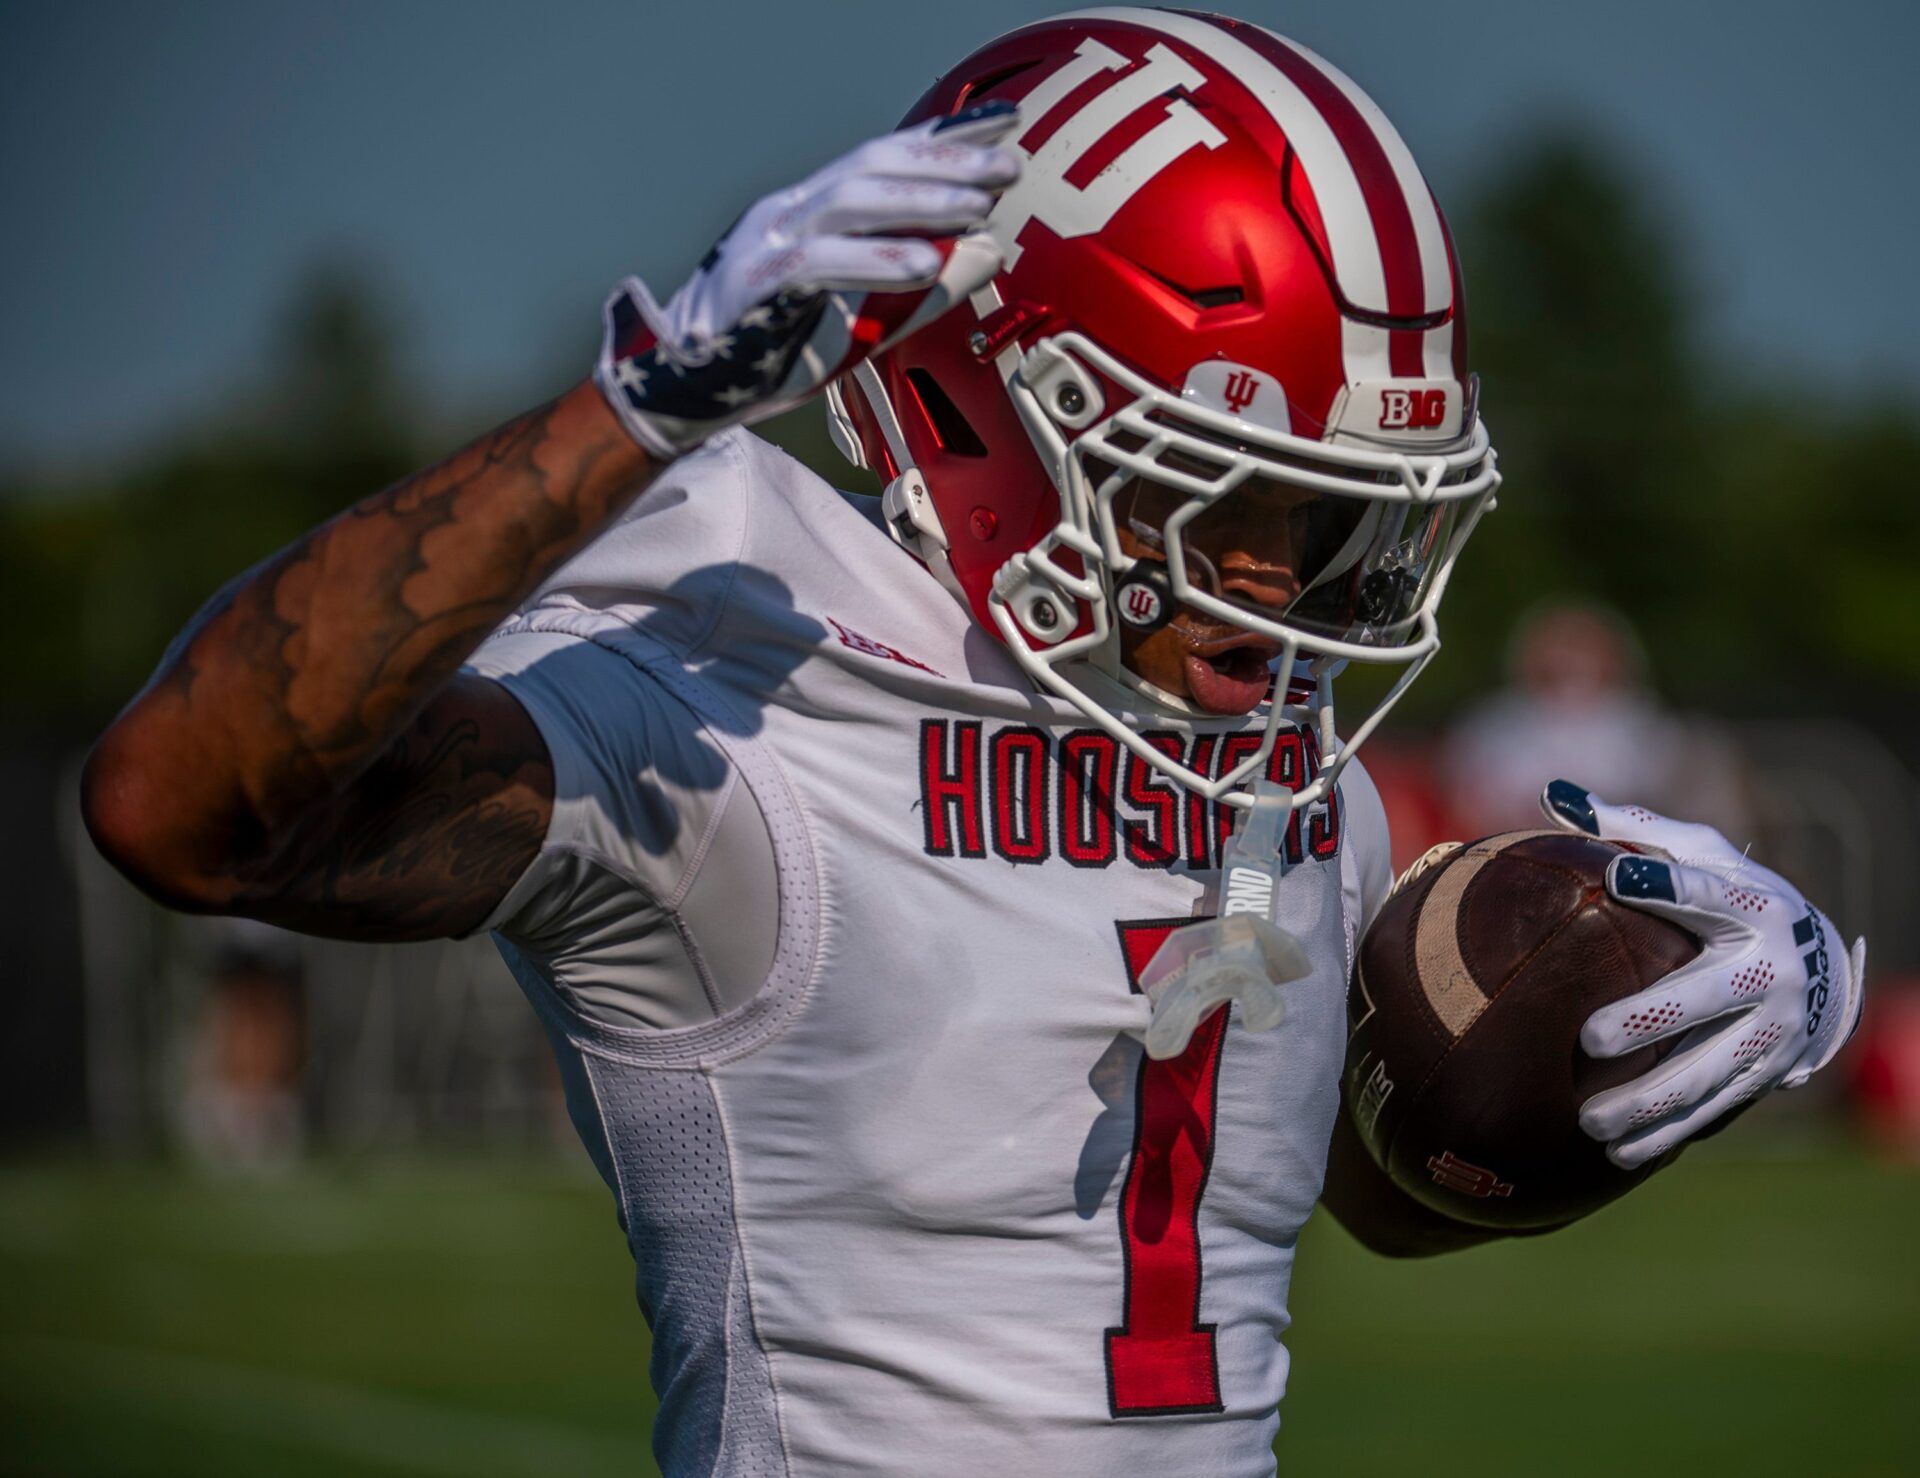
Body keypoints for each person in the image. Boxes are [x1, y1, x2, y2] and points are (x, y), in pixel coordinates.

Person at [80, 12, 1866, 1475]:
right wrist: (629, 410)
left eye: (1330, 517)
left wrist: (1678, 1018)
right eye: (1221, 486)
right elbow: (180, 807)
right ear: (983, 399)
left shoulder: (1279, 761)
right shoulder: (744, 686)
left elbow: (1351, 1197)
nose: (1284, 582)